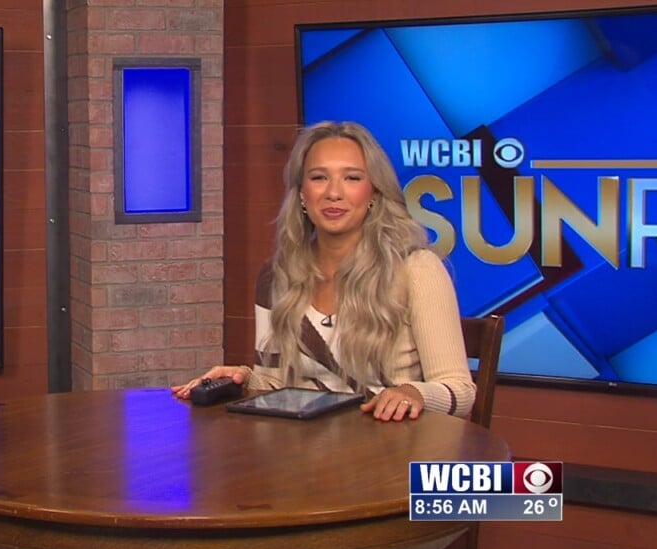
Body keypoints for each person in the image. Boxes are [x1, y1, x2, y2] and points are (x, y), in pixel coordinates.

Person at [173, 120, 475, 420]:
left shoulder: (417, 269)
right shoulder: (278, 275)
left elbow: (460, 392)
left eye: (352, 178)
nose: (334, 193)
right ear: (302, 193)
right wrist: (242, 379)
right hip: (308, 453)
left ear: (373, 192)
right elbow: (277, 385)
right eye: (319, 178)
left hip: (393, 449)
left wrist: (414, 393)